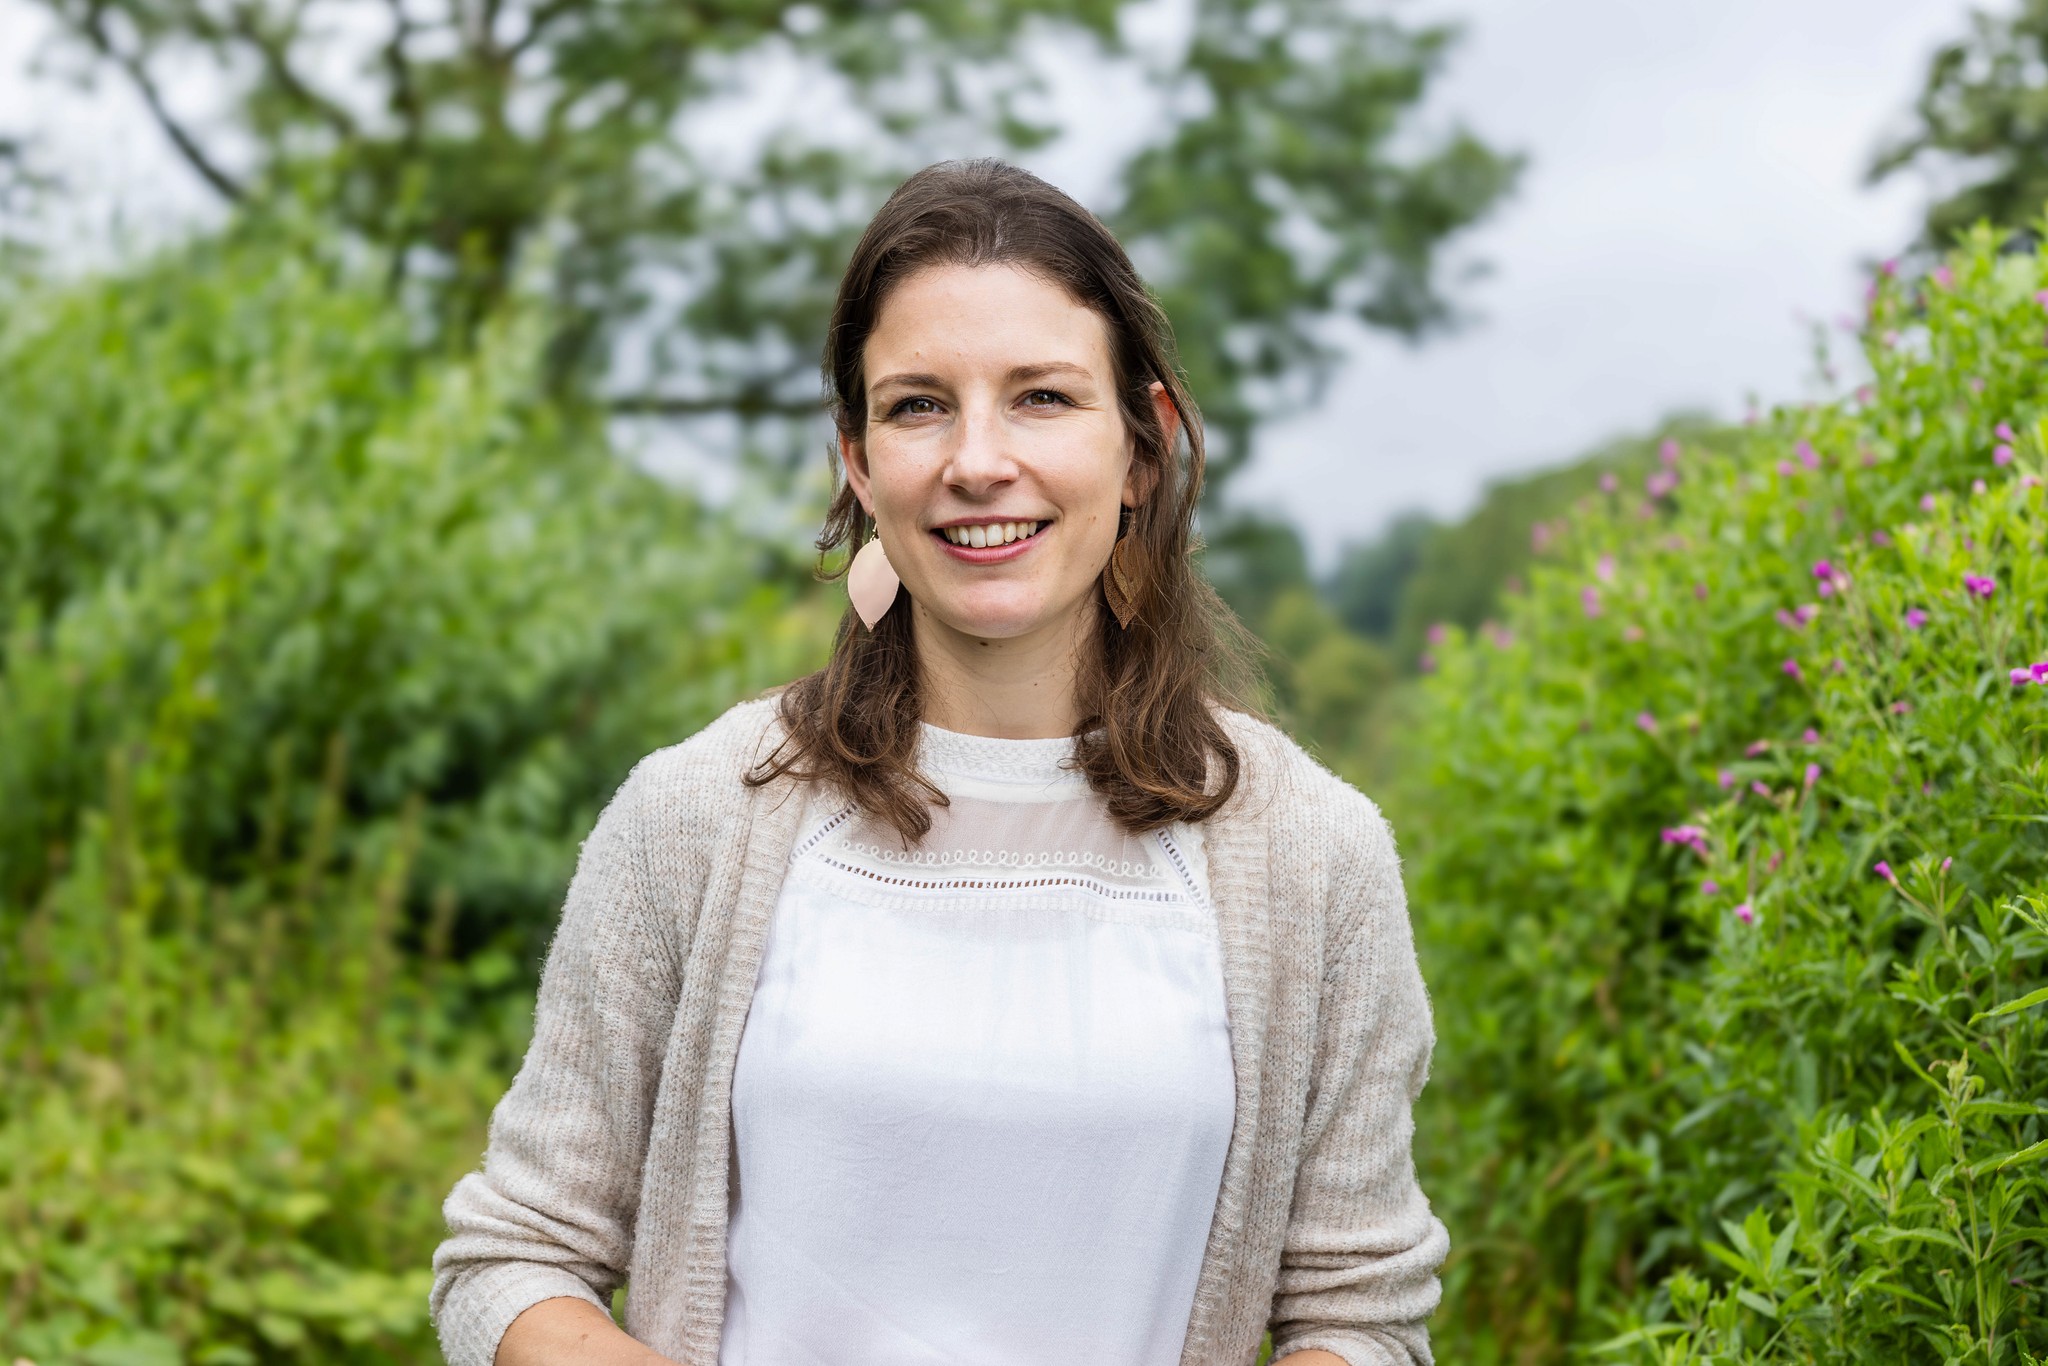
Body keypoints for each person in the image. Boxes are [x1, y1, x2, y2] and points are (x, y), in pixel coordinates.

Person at [429, 158, 1448, 1366]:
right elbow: (512, 1259)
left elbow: (1358, 1316)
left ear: (1141, 446)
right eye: (918, 404)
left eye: (1040, 398)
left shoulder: (1309, 852)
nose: (976, 460)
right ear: (857, 459)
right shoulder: (696, 815)